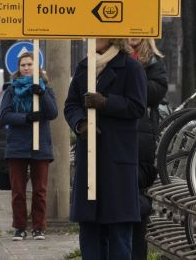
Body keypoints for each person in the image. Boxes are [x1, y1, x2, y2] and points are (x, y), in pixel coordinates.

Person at [65, 38, 148, 260]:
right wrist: (80, 123)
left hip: (116, 158)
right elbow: (71, 104)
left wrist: (105, 103)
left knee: (119, 229)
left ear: (112, 37)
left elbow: (137, 106)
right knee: (89, 228)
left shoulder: (130, 67)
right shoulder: (84, 67)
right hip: (89, 158)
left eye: (97, 34)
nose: (91, 39)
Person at [0, 51, 58, 241]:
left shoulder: (46, 88)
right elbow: (5, 115)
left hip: (39, 146)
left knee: (40, 190)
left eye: (29, 64)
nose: (26, 68)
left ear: (36, 67)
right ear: (19, 68)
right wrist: (26, 118)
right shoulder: (11, 89)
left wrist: (41, 94)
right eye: (23, 65)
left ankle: (39, 227)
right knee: (18, 191)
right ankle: (20, 227)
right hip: (17, 146)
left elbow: (52, 113)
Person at [127, 38, 168, 260]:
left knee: (139, 197)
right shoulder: (112, 55)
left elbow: (156, 91)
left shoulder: (153, 61)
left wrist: (132, 75)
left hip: (141, 135)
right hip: (117, 135)